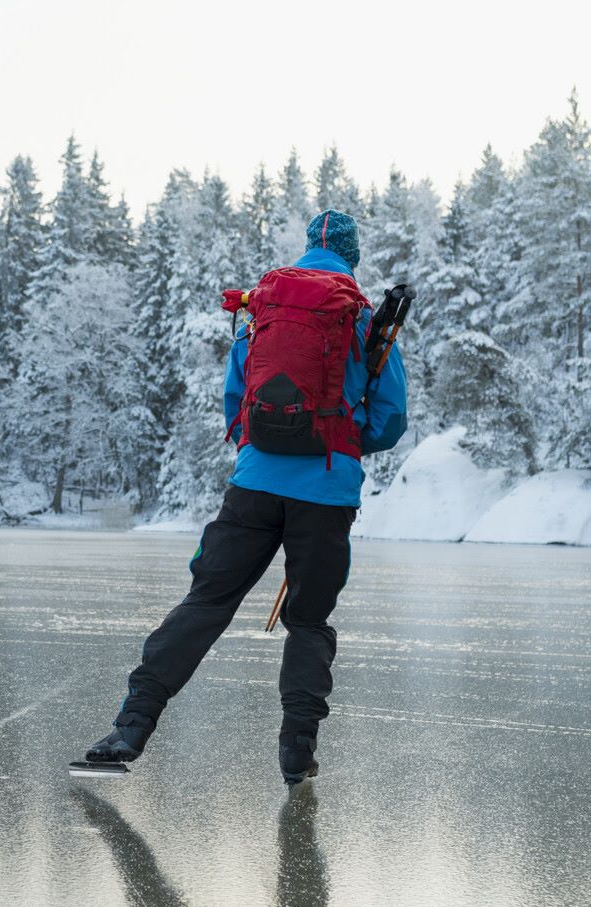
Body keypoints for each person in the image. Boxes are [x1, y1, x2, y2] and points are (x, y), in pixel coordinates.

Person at [78, 209, 409, 785]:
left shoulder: (263, 309)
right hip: (327, 492)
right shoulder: (362, 319)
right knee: (308, 621)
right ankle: (297, 752)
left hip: (254, 486)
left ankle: (130, 727)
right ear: (353, 258)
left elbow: (236, 401)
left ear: (305, 248)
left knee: (205, 603)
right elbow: (390, 419)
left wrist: (268, 447)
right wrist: (341, 442)